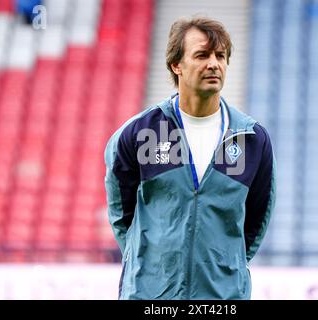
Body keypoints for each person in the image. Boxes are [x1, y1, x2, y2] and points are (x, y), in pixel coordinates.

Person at [104, 16, 276, 300]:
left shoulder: (252, 139)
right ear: (176, 65)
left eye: (220, 56)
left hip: (221, 297)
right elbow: (122, 214)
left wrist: (223, 265)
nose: (214, 64)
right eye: (202, 55)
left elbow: (256, 220)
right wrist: (151, 262)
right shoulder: (141, 132)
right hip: (149, 296)